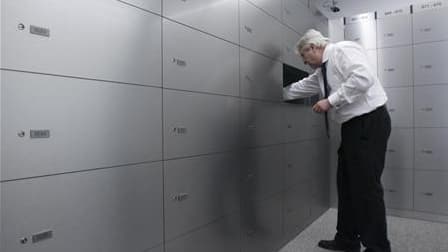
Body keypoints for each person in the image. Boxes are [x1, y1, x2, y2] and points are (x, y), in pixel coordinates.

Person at [283, 29, 392, 252]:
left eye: (305, 57)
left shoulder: (343, 50)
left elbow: (363, 77)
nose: (305, 62)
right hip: (353, 128)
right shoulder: (321, 72)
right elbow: (301, 87)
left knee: (366, 188)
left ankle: (378, 247)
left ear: (313, 47)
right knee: (347, 185)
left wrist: (330, 101)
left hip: (369, 122)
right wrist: (268, 89)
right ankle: (347, 239)